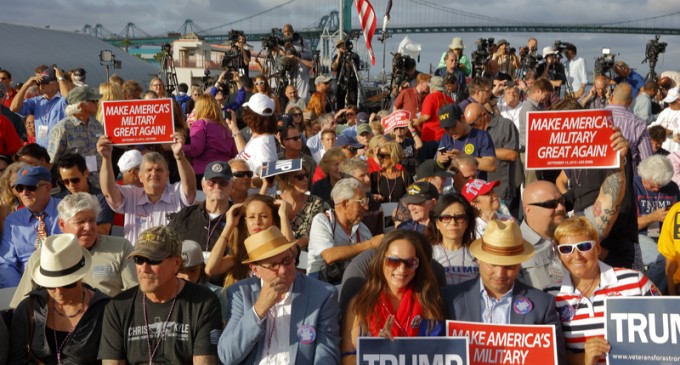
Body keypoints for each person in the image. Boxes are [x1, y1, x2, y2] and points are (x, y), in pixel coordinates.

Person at [442, 220, 567, 365]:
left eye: (509, 267)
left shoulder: (542, 305)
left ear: (520, 264)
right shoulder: (450, 299)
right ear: (479, 260)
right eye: (493, 264)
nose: (500, 274)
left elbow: (557, 360)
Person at [99, 226, 222, 364]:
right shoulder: (118, 307)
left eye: (153, 260)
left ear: (176, 263)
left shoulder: (203, 302)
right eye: (139, 259)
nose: (144, 269)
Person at [218, 226, 340, 364]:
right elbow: (227, 356)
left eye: (286, 260)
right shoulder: (240, 293)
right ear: (255, 269)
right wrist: (258, 310)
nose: (282, 270)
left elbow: (327, 356)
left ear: (294, 258)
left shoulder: (322, 294)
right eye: (273, 265)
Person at [546, 217, 658, 365]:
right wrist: (584, 359)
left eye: (584, 246)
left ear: (598, 248)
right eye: (566, 249)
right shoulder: (551, 296)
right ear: (559, 254)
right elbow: (552, 356)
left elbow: (668, 329)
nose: (576, 256)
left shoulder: (635, 282)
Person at [10, 192, 136, 308]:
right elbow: (21, 304)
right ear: (62, 225)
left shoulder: (120, 247)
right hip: (59, 324)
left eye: (92, 220)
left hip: (108, 321)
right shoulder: (44, 257)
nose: (88, 227)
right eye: (80, 222)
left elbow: (134, 295)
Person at [341, 230, 445, 363]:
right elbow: (346, 359)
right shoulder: (360, 304)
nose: (402, 269)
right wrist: (376, 352)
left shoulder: (430, 302)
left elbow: (439, 355)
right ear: (381, 261)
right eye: (393, 261)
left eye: (410, 262)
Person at [9, 233, 110, 364]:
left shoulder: (104, 309)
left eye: (68, 285)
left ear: (80, 277)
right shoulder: (29, 308)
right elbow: (17, 360)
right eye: (51, 286)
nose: (59, 293)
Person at [97, 132, 196, 245]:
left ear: (167, 174)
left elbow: (190, 186)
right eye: (148, 170)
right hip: (136, 260)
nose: (153, 173)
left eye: (159, 170)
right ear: (140, 176)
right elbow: (108, 192)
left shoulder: (177, 193)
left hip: (168, 260)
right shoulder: (130, 195)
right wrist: (106, 158)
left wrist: (179, 156)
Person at [205, 194, 294, 287]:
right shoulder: (239, 253)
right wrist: (229, 226)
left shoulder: (282, 250)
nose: (257, 222)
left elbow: (291, 251)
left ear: (274, 220)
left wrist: (283, 216)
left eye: (264, 216)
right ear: (245, 221)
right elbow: (210, 270)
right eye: (251, 217)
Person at [307, 178, 382, 281]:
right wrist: (370, 244)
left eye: (366, 201)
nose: (366, 207)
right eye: (362, 201)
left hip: (349, 283)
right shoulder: (323, 221)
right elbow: (329, 256)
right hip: (321, 285)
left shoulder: (362, 229)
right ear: (344, 204)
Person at [0, 166, 61, 288]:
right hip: (27, 285)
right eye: (20, 188)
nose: (24, 192)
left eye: (31, 187)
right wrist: (21, 293)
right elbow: (6, 264)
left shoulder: (67, 210)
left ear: (48, 188)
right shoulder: (13, 221)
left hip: (64, 278)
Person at [168, 161, 233, 256]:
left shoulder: (240, 217)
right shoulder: (185, 215)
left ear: (232, 186)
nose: (217, 186)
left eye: (223, 183)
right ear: (203, 186)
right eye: (211, 183)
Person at [464, 102, 519, 206]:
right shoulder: (473, 132)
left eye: (473, 123)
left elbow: (512, 154)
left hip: (500, 190)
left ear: (484, 115)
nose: (472, 127)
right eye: (469, 125)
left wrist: (485, 151)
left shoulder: (505, 125)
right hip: (480, 191)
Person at [183, 94, 240, 187]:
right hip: (225, 171)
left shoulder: (200, 124)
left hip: (205, 172)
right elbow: (234, 153)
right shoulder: (225, 127)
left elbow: (196, 149)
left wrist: (181, 147)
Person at [55, 153, 115, 235]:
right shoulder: (59, 199)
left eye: (75, 180)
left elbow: (103, 232)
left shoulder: (101, 199)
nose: (71, 185)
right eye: (65, 182)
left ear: (86, 173)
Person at [10, 67, 71, 147]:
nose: (41, 85)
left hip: (59, 151)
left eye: (45, 83)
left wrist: (60, 78)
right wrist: (26, 85)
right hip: (42, 151)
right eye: (39, 83)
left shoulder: (62, 100)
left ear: (56, 85)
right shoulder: (36, 101)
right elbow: (13, 108)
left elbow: (69, 98)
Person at [437, 103, 496, 180]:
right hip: (451, 187)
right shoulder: (446, 138)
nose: (451, 131)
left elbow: (491, 165)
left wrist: (464, 158)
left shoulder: (481, 136)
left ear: (462, 119)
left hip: (474, 186)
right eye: (446, 128)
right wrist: (440, 161)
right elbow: (437, 161)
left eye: (453, 126)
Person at [605, 82, 653, 174]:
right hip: (628, 180)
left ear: (611, 97)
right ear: (631, 101)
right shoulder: (639, 124)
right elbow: (647, 162)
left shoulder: (593, 118)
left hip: (596, 180)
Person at [431, 193, 478, 285]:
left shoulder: (479, 253)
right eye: (446, 218)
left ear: (467, 223)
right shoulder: (428, 254)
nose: (453, 222)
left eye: (459, 217)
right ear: (437, 223)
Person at [276, 166, 326, 249]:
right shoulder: (274, 201)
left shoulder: (315, 202)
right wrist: (265, 184)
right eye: (300, 177)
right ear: (288, 180)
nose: (306, 180)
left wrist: (291, 252)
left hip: (302, 255)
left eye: (306, 175)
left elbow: (309, 236)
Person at [178, 240, 228, 323]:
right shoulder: (164, 293)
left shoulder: (218, 293)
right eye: (182, 271)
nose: (187, 277)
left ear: (201, 267)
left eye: (192, 271)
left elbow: (223, 327)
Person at [234, 93, 279, 177]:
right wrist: (234, 128)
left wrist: (239, 180)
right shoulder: (259, 136)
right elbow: (246, 154)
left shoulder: (265, 142)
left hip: (255, 190)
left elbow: (269, 180)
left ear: (250, 116)